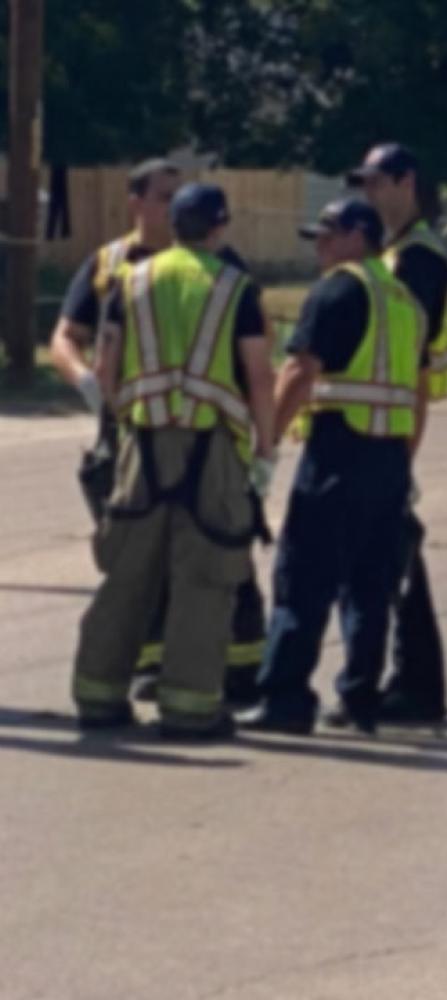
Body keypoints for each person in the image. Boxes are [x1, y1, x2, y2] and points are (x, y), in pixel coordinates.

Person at [50, 159, 272, 707]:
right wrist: (266, 451)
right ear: (217, 228)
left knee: (128, 569)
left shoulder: (130, 279)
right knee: (205, 569)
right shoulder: (229, 283)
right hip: (209, 446)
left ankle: (98, 696)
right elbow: (259, 373)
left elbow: (107, 362)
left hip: (140, 443)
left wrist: (115, 407)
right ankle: (189, 703)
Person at [240, 199, 427, 736]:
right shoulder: (404, 300)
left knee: (304, 576)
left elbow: (299, 371)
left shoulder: (337, 290)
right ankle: (359, 698)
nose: (318, 246)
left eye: (327, 234)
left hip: (339, 451)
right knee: (370, 584)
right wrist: (404, 462)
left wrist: (267, 440)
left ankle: (284, 698)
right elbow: (415, 392)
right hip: (388, 456)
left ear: (359, 236)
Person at [345, 142, 447, 726]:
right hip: (383, 427)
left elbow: (410, 360)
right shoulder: (393, 252)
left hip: (394, 427)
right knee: (394, 557)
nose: (369, 193)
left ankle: (418, 685)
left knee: (398, 559)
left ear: (407, 182)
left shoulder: (419, 259)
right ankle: (413, 680)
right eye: (363, 183)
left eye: (378, 182)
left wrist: (404, 454)